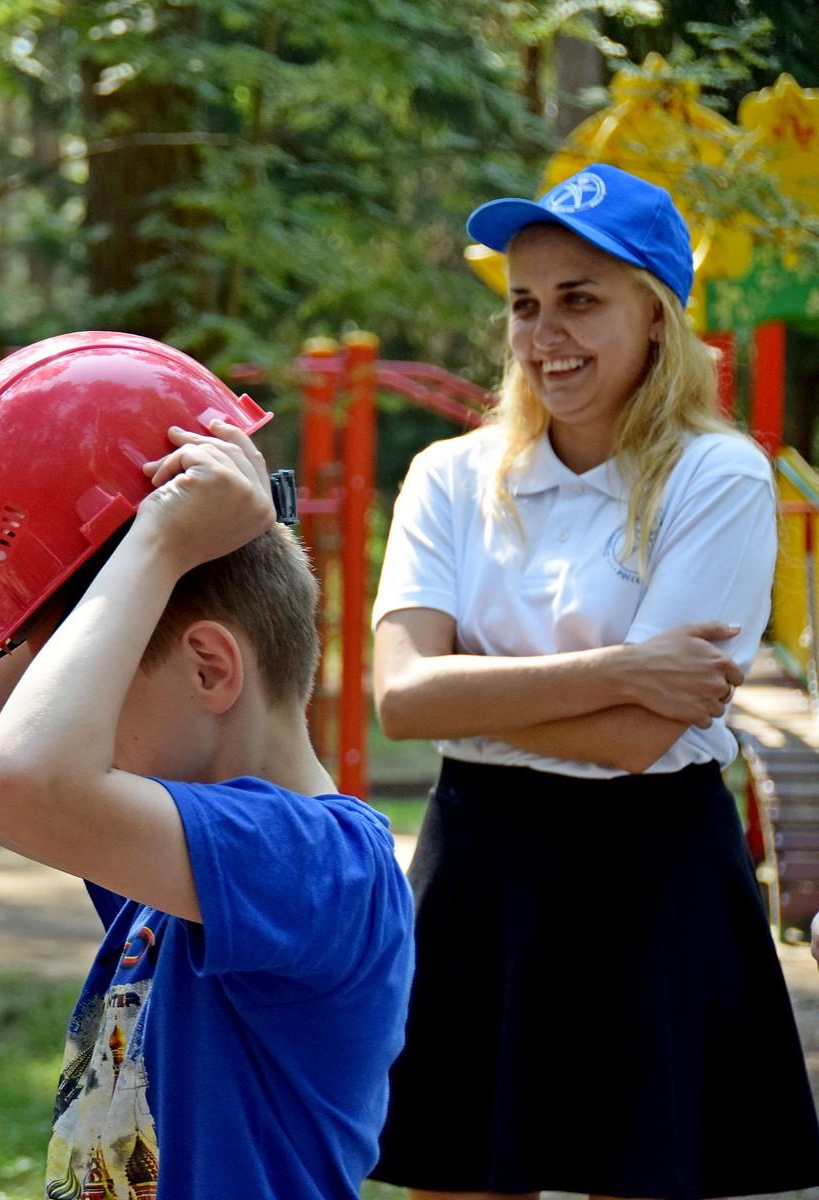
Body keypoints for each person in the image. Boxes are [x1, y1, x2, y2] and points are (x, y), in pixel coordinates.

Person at [368, 163, 819, 1199]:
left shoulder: (718, 476)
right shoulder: (449, 476)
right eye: (525, 304)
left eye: (580, 299)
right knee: (461, 1181)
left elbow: (635, 742)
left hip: (646, 868)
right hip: (481, 864)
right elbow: (400, 699)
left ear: (655, 315)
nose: (544, 334)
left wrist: (469, 698)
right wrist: (623, 670)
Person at [0, 333, 415, 1198]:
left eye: (97, 684)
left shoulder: (321, 867)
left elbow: (17, 782)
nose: (77, 718)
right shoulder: (178, 861)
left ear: (209, 668)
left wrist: (159, 546)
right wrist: (82, 572)